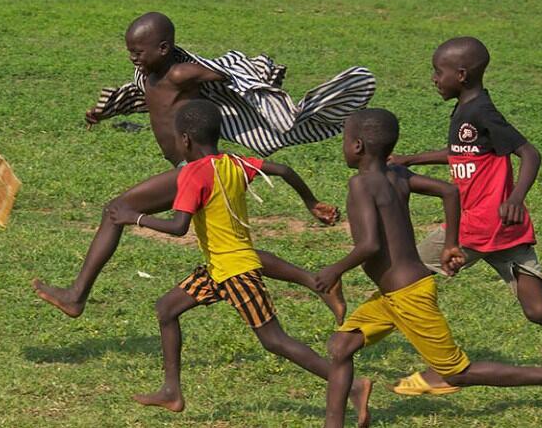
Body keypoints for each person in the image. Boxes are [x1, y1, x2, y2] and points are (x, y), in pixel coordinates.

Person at [32, 12, 376, 324]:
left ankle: (77, 295)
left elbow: (227, 75)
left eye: (139, 51)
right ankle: (317, 282)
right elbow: (149, 101)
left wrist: (257, 77)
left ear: (165, 48)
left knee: (115, 210)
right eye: (130, 51)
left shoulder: (181, 73)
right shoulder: (148, 74)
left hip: (193, 169)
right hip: (198, 167)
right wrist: (106, 111)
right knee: (235, 253)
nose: (133, 57)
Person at [109, 100, 373, 425]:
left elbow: (178, 227)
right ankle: (171, 391)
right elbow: (283, 170)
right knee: (166, 308)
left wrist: (134, 217)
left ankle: (353, 386)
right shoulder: (233, 163)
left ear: (186, 140)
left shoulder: (193, 174)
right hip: (219, 270)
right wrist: (311, 202)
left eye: (177, 139)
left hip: (235, 272)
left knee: (275, 341)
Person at [310, 108, 542, 428]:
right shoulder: (396, 175)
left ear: (357, 146)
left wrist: (334, 269)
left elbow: (369, 244)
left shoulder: (361, 185)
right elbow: (450, 190)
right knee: (341, 346)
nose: (343, 147)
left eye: (344, 140)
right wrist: (452, 243)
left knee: (457, 372)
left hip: (407, 295)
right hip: (394, 295)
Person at [387, 37, 542, 392]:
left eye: (439, 71)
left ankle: (437, 366)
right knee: (538, 309)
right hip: (502, 230)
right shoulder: (467, 109)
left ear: (461, 75)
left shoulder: (482, 111)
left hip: (481, 225)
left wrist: (516, 196)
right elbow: (461, 152)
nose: (434, 79)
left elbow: (530, 153)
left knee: (404, 275)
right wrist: (411, 159)